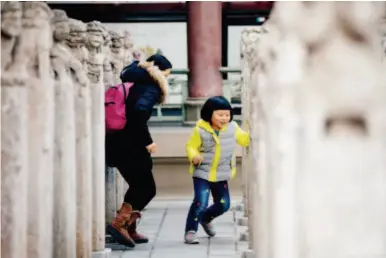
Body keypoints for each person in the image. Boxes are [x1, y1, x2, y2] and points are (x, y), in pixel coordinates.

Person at [105, 54, 172, 248]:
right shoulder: (149, 87)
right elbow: (139, 113)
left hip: (117, 142)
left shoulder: (135, 82)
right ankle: (120, 224)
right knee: (146, 188)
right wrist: (148, 142)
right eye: (166, 75)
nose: (167, 79)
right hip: (131, 145)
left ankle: (129, 228)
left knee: (138, 185)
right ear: (157, 72)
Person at [183, 96, 250, 244]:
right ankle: (190, 231)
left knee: (223, 204)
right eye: (220, 115)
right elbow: (191, 146)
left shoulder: (233, 128)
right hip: (202, 173)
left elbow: (245, 140)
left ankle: (205, 219)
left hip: (222, 173)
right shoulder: (200, 130)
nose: (224, 118)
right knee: (200, 202)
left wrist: (255, 130)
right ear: (209, 114)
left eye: (227, 115)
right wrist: (194, 156)